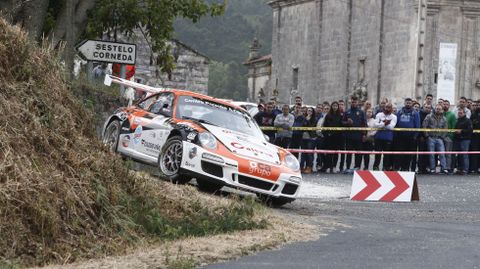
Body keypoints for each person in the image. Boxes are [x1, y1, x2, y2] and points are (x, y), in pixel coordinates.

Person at [395, 98, 421, 171]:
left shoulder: (415, 113)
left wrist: (415, 136)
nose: (408, 104)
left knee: (408, 154)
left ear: (411, 104)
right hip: (400, 136)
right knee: (400, 153)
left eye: (409, 103)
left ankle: (406, 168)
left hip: (411, 137)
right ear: (404, 103)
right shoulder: (399, 112)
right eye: (407, 103)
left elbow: (417, 125)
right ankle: (398, 167)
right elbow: (396, 123)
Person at [342, 96, 366, 173]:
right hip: (349, 136)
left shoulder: (361, 112)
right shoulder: (347, 112)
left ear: (357, 103)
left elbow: (364, 123)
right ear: (350, 102)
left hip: (358, 136)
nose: (354, 103)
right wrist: (347, 123)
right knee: (348, 153)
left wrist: (364, 134)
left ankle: (357, 167)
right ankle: (348, 167)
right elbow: (342, 122)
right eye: (352, 102)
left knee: (358, 153)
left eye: (355, 102)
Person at [423, 104, 448, 174]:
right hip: (431, 138)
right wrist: (427, 136)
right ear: (435, 109)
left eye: (439, 109)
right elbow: (424, 126)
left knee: (442, 154)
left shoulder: (444, 118)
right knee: (431, 154)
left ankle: (444, 168)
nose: (438, 110)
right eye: (437, 109)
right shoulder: (429, 116)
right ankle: (432, 168)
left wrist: (442, 137)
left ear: (442, 110)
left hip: (439, 138)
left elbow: (446, 129)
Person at [373, 103, 397, 170]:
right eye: (386, 107)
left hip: (388, 137)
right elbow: (375, 124)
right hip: (379, 137)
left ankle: (385, 167)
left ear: (391, 108)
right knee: (378, 153)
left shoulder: (394, 117)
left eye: (389, 107)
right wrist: (384, 123)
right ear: (384, 107)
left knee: (386, 154)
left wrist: (383, 124)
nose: (387, 109)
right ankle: (376, 167)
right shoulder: (379, 115)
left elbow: (391, 127)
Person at [322, 102, 343, 173]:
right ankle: (328, 166)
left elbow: (341, 126)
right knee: (329, 153)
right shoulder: (328, 115)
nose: (335, 107)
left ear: (338, 107)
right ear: (332, 107)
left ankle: (334, 166)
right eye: (333, 106)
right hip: (329, 137)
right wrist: (327, 134)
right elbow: (324, 127)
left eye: (336, 106)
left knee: (336, 153)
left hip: (337, 138)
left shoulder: (340, 115)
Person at [453, 109, 473, 175]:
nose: (459, 114)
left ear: (464, 113)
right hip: (458, 140)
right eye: (459, 113)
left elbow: (470, 130)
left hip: (465, 140)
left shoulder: (468, 121)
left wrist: (461, 131)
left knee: (464, 155)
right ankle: (460, 168)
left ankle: (465, 169)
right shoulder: (457, 120)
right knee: (459, 155)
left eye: (461, 113)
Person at [300, 107, 317, 174]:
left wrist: (307, 120)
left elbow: (311, 127)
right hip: (303, 137)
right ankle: (301, 167)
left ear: (312, 112)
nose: (309, 112)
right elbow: (302, 127)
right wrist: (305, 120)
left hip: (311, 138)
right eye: (308, 110)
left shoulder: (314, 119)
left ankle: (309, 167)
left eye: (310, 111)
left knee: (309, 153)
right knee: (303, 153)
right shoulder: (304, 118)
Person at [417, 104, 432, 173]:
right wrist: (421, 136)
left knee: (427, 153)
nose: (427, 109)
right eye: (426, 107)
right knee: (421, 153)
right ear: (423, 107)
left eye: (429, 108)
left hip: (429, 136)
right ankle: (420, 167)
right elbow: (419, 125)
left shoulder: (432, 115)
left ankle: (425, 167)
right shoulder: (419, 115)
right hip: (422, 137)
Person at [442, 100, 457, 173]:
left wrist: (451, 136)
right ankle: (443, 167)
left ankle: (448, 167)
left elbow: (454, 126)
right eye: (444, 104)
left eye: (447, 104)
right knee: (442, 153)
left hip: (448, 137)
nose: (445, 105)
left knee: (448, 153)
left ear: (449, 106)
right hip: (441, 136)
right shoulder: (440, 114)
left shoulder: (452, 115)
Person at [315, 104, 330, 172]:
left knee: (326, 153)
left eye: (327, 109)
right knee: (320, 152)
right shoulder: (321, 117)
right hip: (319, 136)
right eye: (325, 109)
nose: (326, 110)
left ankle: (326, 166)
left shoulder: (329, 117)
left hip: (326, 137)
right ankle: (321, 165)